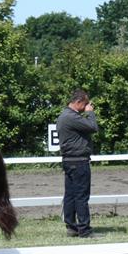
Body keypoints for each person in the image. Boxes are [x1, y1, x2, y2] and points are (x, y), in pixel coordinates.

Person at [56, 89, 98, 238]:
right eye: (85, 103)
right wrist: (90, 113)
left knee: (70, 195)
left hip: (69, 161)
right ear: (78, 102)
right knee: (81, 196)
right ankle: (84, 229)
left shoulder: (63, 116)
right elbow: (93, 127)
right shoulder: (72, 117)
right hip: (79, 161)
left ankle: (71, 226)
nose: (87, 106)